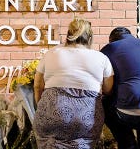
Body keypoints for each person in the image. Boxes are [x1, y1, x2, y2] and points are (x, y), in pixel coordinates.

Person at [33, 18, 114, 148]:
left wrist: (41, 108)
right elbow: (109, 89)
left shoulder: (51, 53)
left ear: (68, 35)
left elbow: (37, 86)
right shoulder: (102, 58)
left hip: (51, 113)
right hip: (86, 117)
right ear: (90, 37)